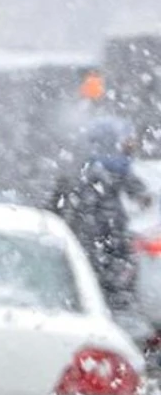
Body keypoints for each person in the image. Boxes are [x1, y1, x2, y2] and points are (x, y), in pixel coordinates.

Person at [49, 115, 151, 311]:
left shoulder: (93, 167)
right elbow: (135, 191)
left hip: (93, 235)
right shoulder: (112, 168)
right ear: (113, 140)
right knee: (109, 281)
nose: (131, 144)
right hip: (103, 236)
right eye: (126, 139)